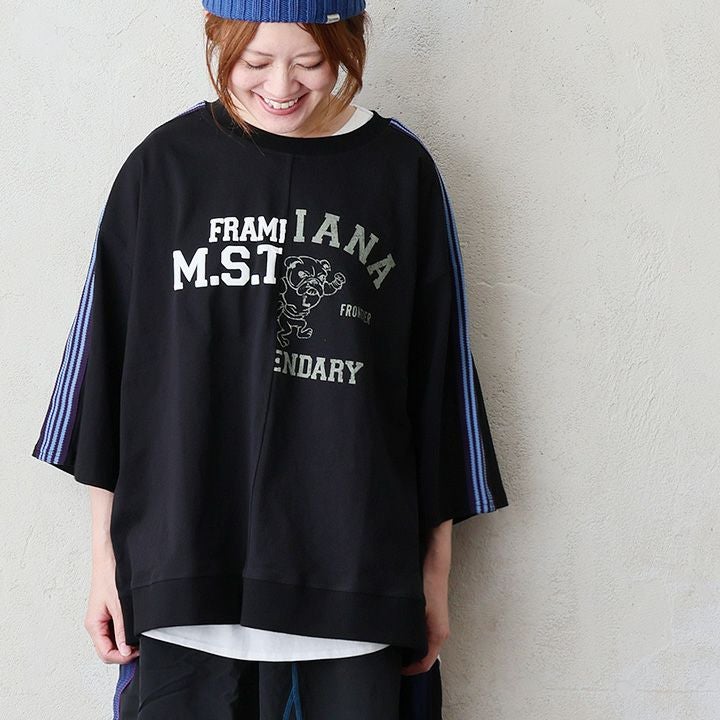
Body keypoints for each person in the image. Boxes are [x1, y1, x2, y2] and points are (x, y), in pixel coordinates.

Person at [31, 1, 509, 718]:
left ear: (346, 46)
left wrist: (434, 575)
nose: (281, 86)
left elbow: (438, 382)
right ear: (219, 42)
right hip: (184, 577)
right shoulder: (165, 167)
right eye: (255, 63)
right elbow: (106, 377)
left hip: (353, 581)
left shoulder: (398, 170)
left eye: (310, 62)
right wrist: (105, 564)